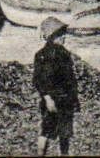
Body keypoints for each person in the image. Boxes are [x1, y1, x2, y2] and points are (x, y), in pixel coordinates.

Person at [32, 17, 79, 157]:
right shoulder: (44, 55)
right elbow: (40, 80)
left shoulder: (64, 54)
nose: (64, 37)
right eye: (60, 34)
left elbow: (70, 79)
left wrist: (74, 98)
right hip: (52, 99)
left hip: (66, 98)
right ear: (52, 36)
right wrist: (47, 98)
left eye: (64, 33)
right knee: (47, 130)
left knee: (65, 133)